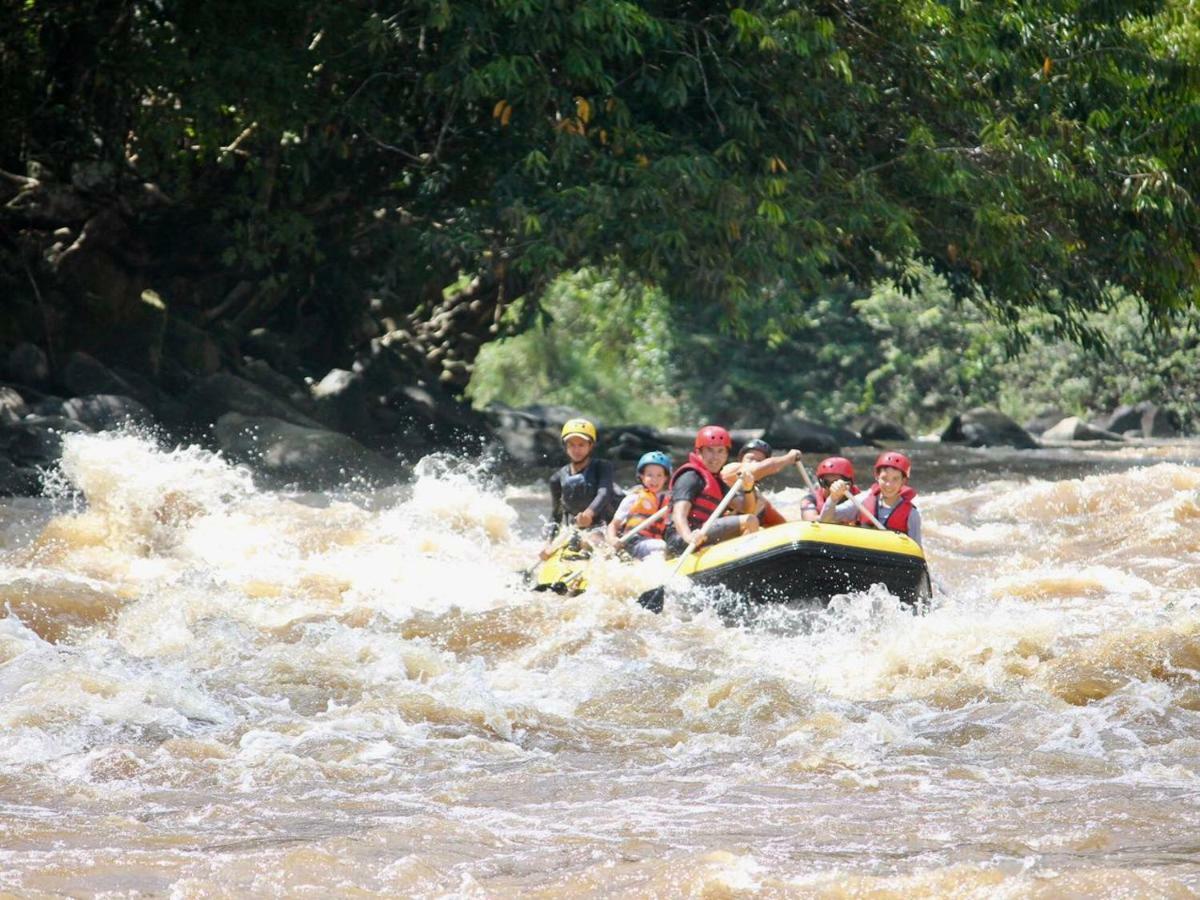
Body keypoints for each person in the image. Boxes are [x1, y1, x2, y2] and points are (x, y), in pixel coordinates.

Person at [665, 425, 759, 556]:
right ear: (699, 452)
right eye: (710, 450)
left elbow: (747, 509)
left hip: (703, 533)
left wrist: (748, 488)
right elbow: (679, 515)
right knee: (749, 521)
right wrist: (689, 537)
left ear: (726, 455)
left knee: (751, 520)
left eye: (720, 451)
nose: (715, 457)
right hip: (683, 540)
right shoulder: (690, 477)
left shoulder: (718, 482)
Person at [539, 418, 620, 559]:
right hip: (576, 528)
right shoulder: (557, 479)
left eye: (581, 445)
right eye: (572, 445)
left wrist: (589, 513)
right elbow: (556, 514)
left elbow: (604, 493)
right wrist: (549, 542)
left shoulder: (602, 467)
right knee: (566, 545)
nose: (576, 450)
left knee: (590, 541)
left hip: (603, 525)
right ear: (565, 447)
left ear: (591, 445)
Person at [820, 450, 922, 545]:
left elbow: (917, 552)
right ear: (877, 476)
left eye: (895, 479)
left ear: (903, 481)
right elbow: (825, 520)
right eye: (884, 478)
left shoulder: (912, 515)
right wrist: (833, 498)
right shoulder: (862, 501)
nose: (888, 484)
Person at [606, 451, 672, 559]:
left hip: (653, 543)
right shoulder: (633, 498)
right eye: (649, 475)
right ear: (642, 476)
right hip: (633, 543)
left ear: (665, 478)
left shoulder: (668, 503)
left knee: (664, 545)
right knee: (660, 545)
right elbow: (613, 525)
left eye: (659, 475)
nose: (654, 480)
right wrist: (612, 539)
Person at [720, 439, 801, 527]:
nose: (754, 463)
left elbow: (783, 525)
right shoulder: (729, 470)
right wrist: (788, 458)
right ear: (740, 459)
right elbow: (761, 468)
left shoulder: (759, 500)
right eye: (750, 459)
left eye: (759, 461)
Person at [799, 456, 859, 522]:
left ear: (849, 483)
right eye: (826, 483)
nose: (831, 488)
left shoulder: (860, 498)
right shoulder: (810, 500)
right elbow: (810, 521)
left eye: (836, 482)